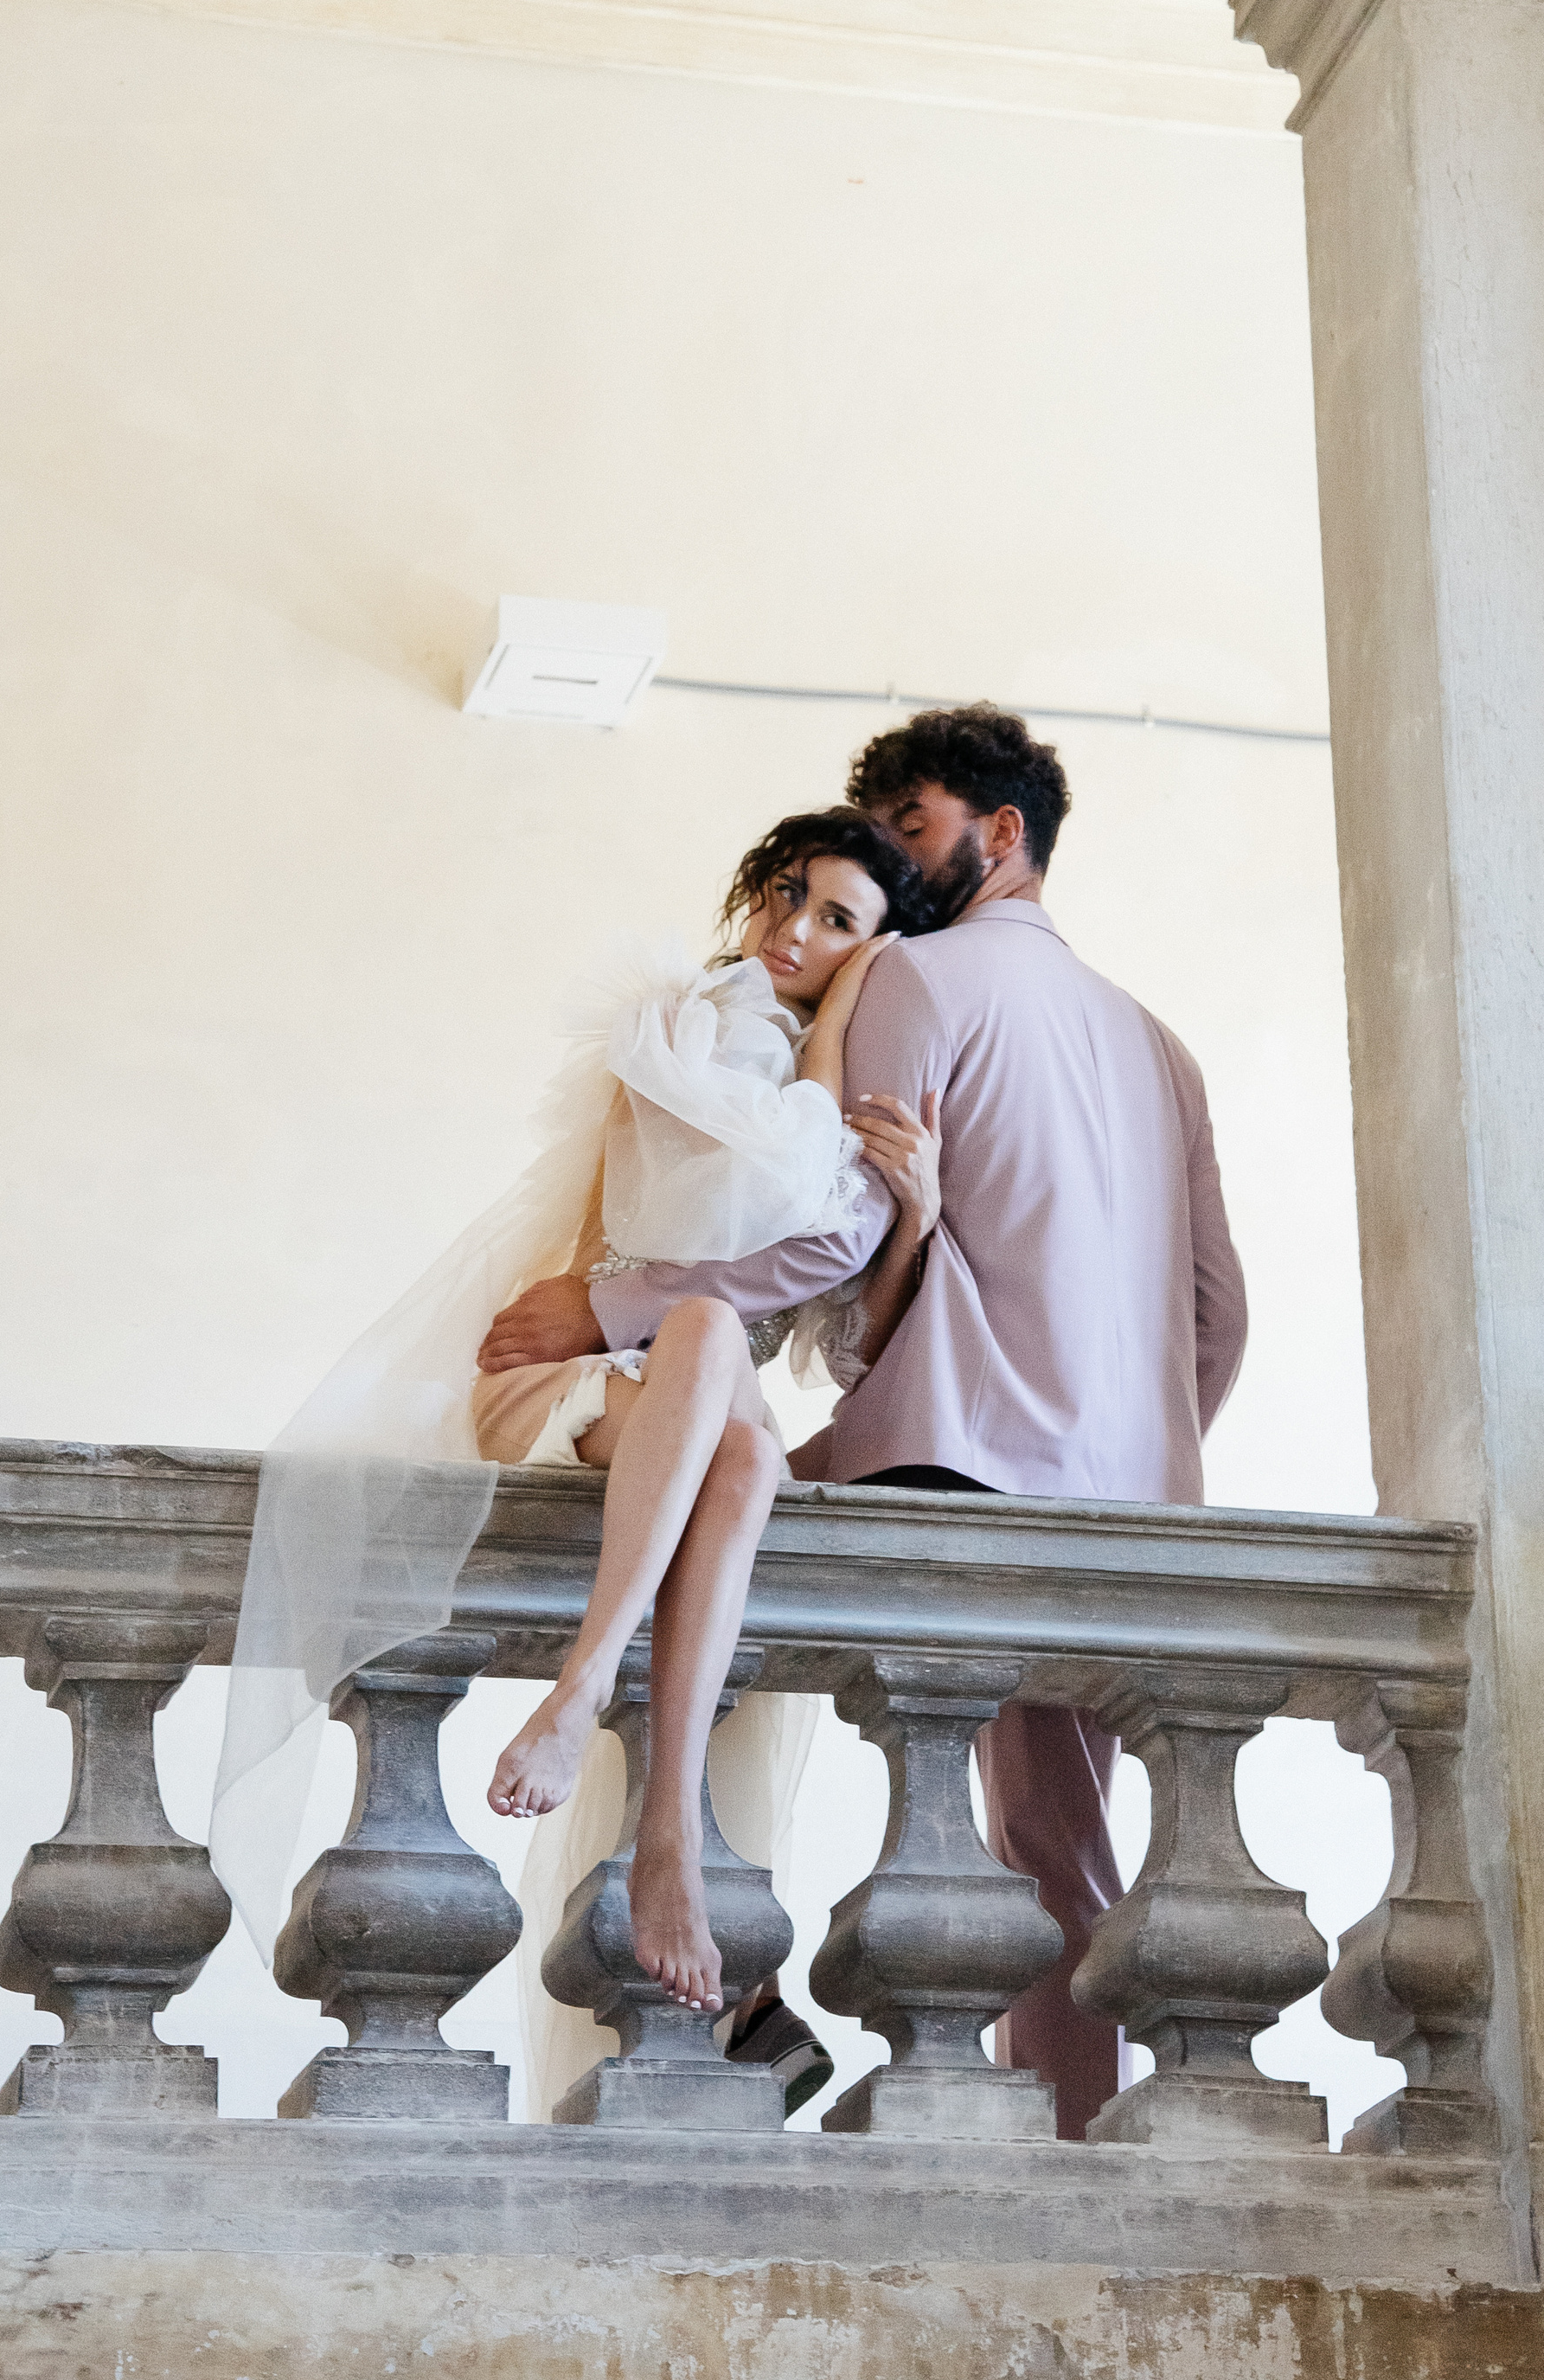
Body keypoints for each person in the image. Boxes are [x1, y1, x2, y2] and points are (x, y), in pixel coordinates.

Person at [482, 703, 1248, 2139]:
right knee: (1060, 1846)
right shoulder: (1166, 1048)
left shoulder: (916, 976)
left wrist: (616, 1309)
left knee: (709, 1539)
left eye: (912, 828)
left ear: (1001, 834)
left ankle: (710, 1957)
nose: (893, 869)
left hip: (946, 1449)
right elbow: (1223, 1316)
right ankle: (1067, 2141)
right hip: (1133, 1495)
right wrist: (1131, 1441)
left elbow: (829, 1231)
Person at [208, 808, 939, 2041]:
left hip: (700, 1411)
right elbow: (773, 1209)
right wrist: (861, 1003)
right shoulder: (681, 1020)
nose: (793, 932)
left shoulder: (821, 1084)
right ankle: (585, 1684)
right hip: (576, 1372)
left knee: (749, 1431)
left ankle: (668, 1832)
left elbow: (845, 1313)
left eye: (836, 924)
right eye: (787, 897)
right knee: (707, 1332)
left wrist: (910, 1216)